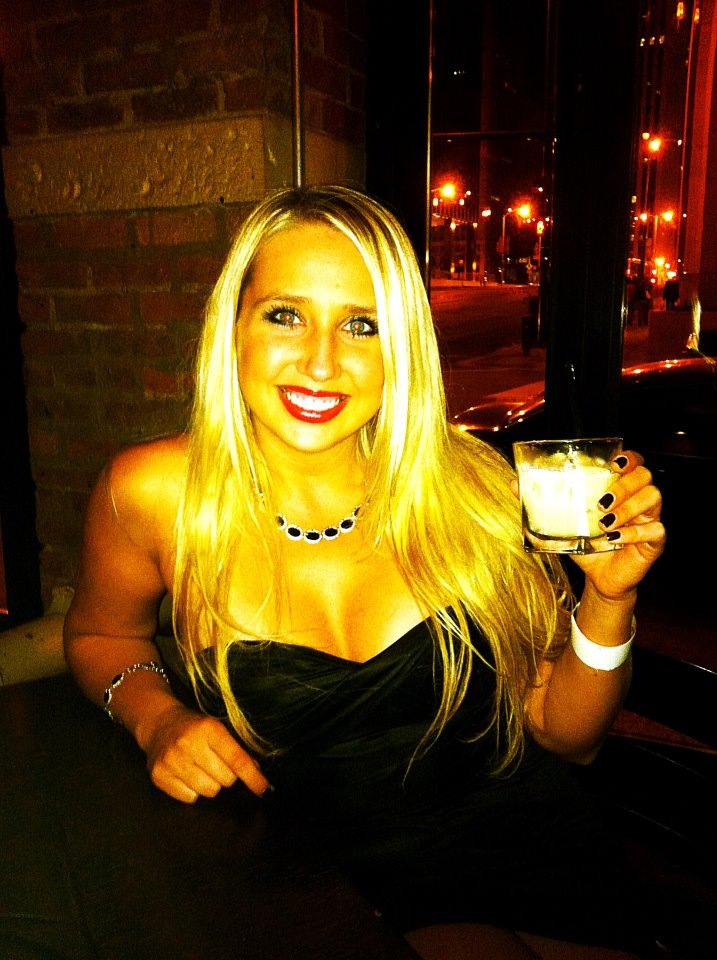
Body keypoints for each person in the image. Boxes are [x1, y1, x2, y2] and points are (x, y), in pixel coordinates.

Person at [64, 184, 666, 960]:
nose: (320, 362)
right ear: (233, 327)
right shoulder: (153, 494)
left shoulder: (474, 489)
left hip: (536, 856)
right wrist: (157, 720)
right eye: (285, 315)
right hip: (323, 885)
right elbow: (99, 636)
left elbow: (568, 737)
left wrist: (609, 597)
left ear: (399, 349)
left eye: (361, 325)